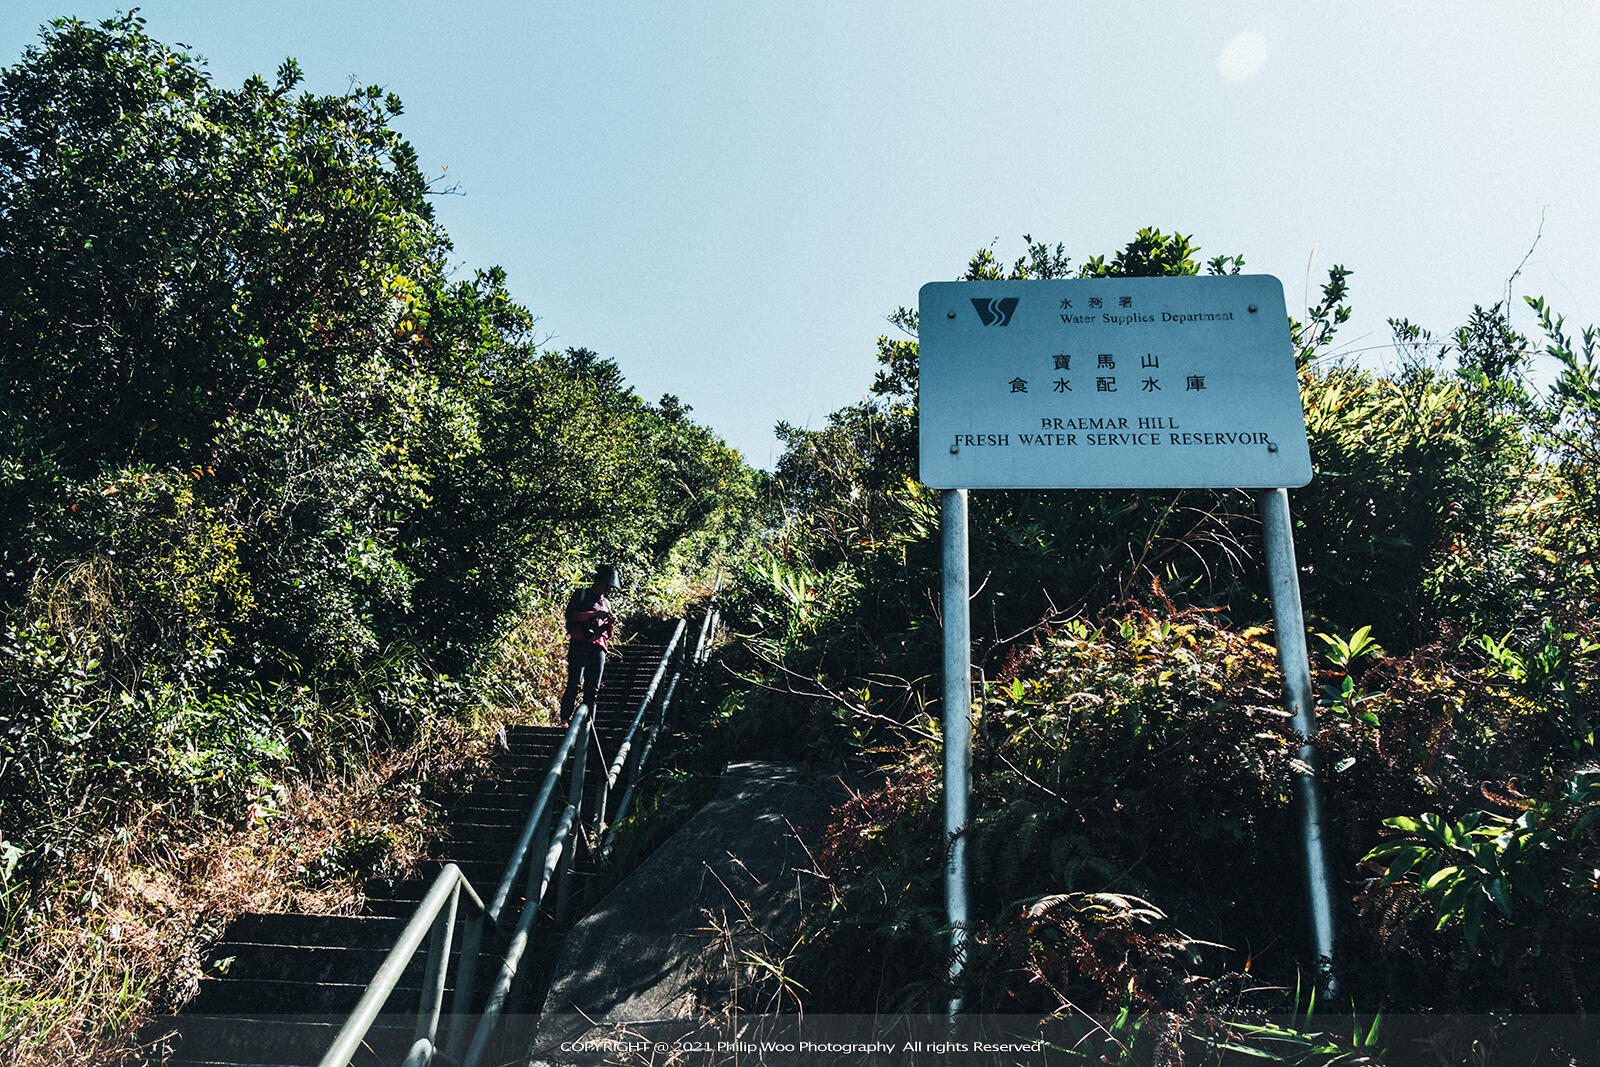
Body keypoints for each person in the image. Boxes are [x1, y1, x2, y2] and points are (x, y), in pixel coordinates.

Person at [561, 564, 620, 721]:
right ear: (599, 582)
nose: (608, 590)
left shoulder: (606, 603)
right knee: (574, 684)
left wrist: (610, 623)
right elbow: (571, 616)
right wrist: (593, 614)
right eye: (607, 586)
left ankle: (589, 725)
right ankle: (564, 720)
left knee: (593, 689)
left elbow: (608, 633)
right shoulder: (581, 595)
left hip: (599, 647)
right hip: (580, 643)